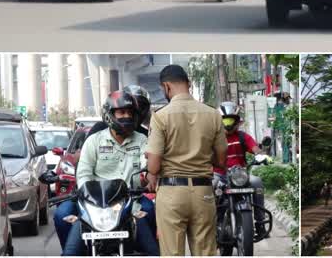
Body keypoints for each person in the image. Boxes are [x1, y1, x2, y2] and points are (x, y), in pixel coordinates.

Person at [56, 91, 159, 256]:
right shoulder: (94, 141)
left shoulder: (142, 140)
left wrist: (147, 178)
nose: (126, 116)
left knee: (150, 217)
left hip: (129, 203)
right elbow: (83, 173)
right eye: (121, 112)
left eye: (130, 112)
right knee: (61, 214)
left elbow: (145, 167)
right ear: (109, 115)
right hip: (93, 204)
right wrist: (88, 196)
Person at [146, 65, 227, 256]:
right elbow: (222, 160)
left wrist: (152, 170)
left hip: (172, 193)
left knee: (173, 253)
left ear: (166, 86)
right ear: (188, 84)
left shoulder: (160, 116)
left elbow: (154, 165)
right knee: (205, 252)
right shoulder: (213, 114)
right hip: (203, 193)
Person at [213, 101, 272, 236]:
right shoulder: (213, 138)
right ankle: (210, 225)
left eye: (230, 120)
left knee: (257, 182)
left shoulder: (242, 136)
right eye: (225, 120)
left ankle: (260, 222)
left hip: (240, 175)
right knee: (208, 189)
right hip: (219, 175)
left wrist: (261, 156)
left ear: (237, 121)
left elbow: (255, 148)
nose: (228, 124)